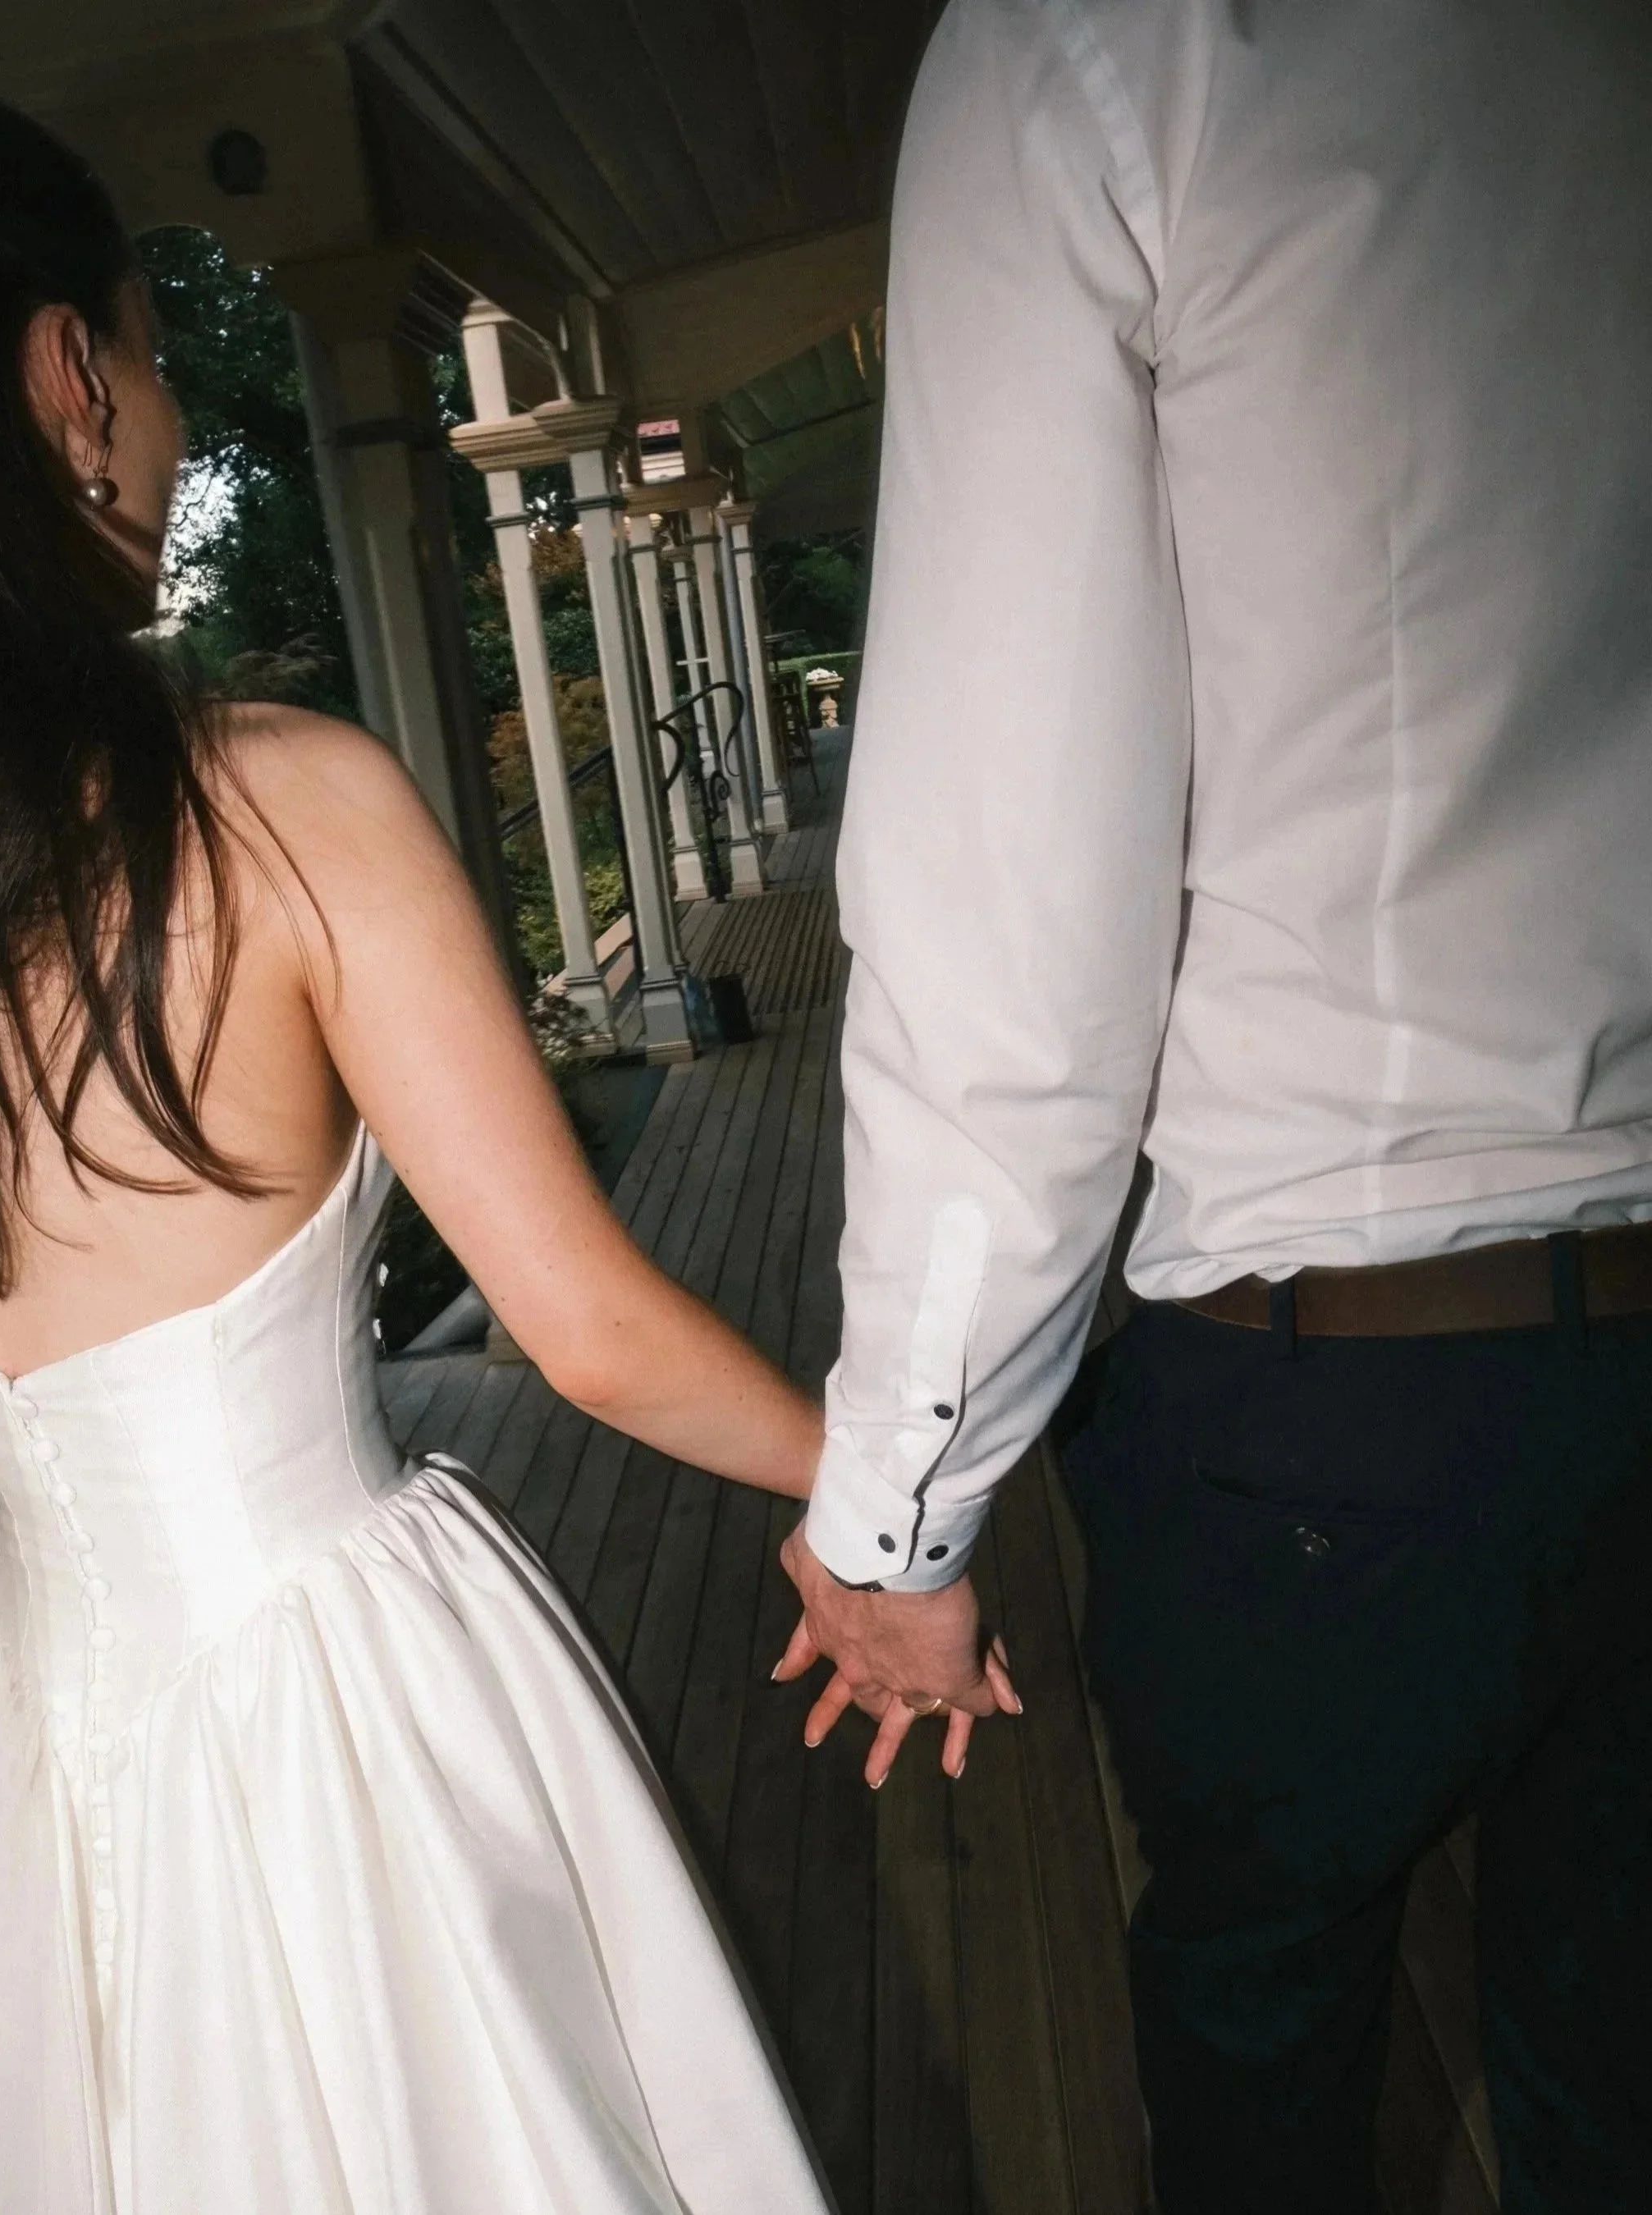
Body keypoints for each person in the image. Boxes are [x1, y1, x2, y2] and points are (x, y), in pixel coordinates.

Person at [0, 56, 874, 2215]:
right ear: (68, 376)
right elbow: (585, 1330)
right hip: (328, 1735)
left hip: (22, 1804)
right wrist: (891, 1507)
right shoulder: (273, 800)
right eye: (149, 355)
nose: (173, 420)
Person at [774, 1, 1652, 2208]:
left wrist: (899, 1509)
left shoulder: (1096, 50)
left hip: (1326, 1404)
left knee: (1264, 2056)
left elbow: (1019, 903)